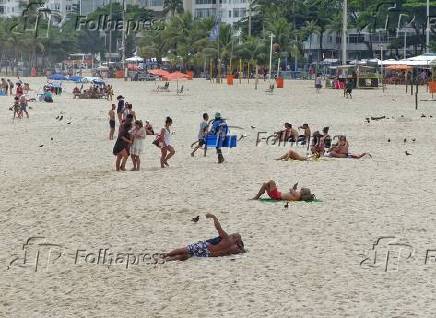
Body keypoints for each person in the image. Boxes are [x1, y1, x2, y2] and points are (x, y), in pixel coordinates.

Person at [164, 213, 245, 261]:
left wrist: (214, 217)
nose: (231, 234)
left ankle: (167, 255)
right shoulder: (233, 249)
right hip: (207, 253)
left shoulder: (226, 238)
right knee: (188, 255)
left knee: (185, 249)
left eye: (233, 234)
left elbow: (218, 227)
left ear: (233, 237)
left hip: (205, 246)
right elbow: (243, 251)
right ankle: (170, 259)